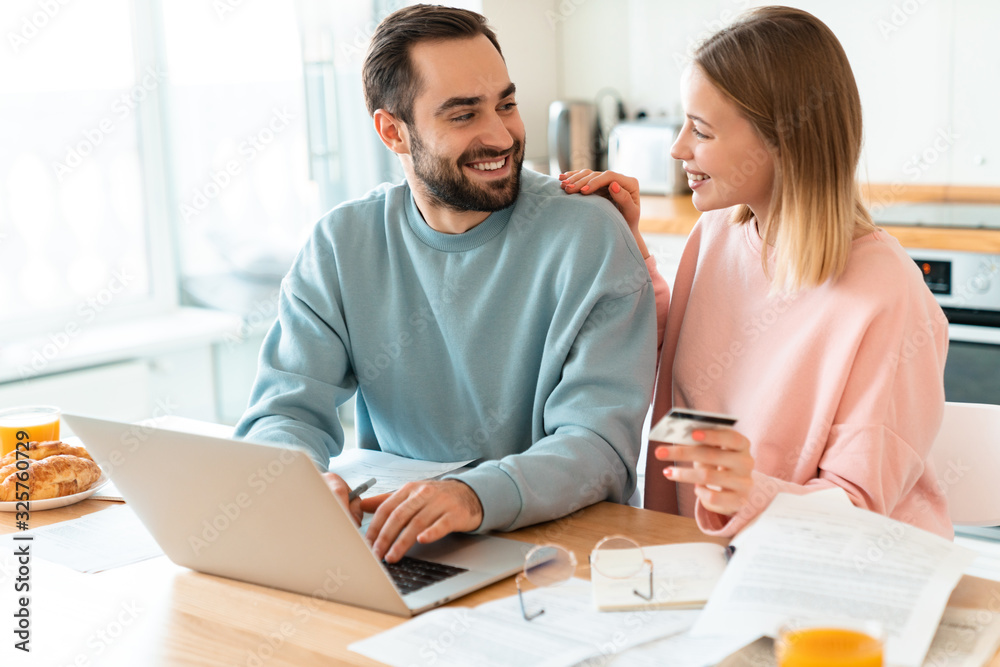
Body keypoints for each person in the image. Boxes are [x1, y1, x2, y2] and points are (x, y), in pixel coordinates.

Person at [234, 5, 657, 563]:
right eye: (463, 115)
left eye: (505, 104)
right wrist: (296, 480)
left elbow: (600, 446)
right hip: (401, 546)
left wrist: (471, 497)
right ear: (393, 132)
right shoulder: (342, 243)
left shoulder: (589, 234)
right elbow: (283, 411)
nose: (500, 134)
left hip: (559, 556)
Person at [561, 6, 952, 539]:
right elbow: (668, 350)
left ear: (782, 141)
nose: (678, 149)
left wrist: (750, 495)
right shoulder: (717, 233)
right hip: (695, 558)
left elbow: (860, 510)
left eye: (700, 130)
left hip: (834, 581)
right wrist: (624, 247)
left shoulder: (887, 295)